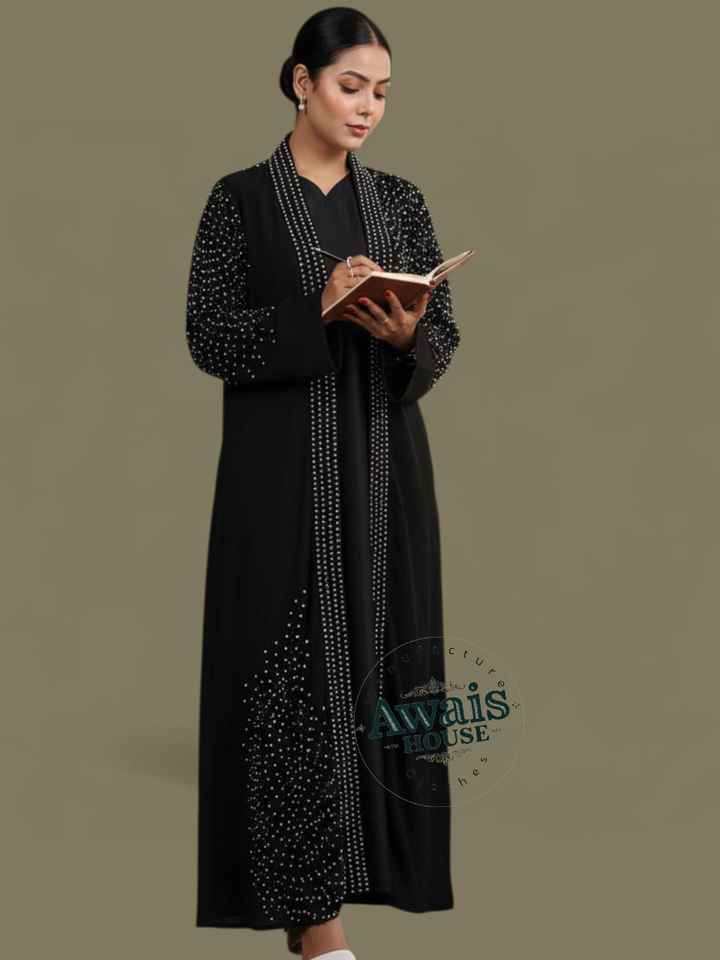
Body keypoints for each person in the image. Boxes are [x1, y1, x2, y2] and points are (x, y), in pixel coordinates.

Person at [185, 8, 462, 960]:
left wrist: (408, 335)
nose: (368, 107)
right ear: (301, 82)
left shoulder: (402, 201)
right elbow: (208, 336)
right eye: (351, 86)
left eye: (382, 92)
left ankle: (385, 877)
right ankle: (314, 925)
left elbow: (443, 339)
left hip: (385, 470)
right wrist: (318, 308)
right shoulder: (239, 201)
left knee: (390, 668)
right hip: (281, 479)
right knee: (291, 676)